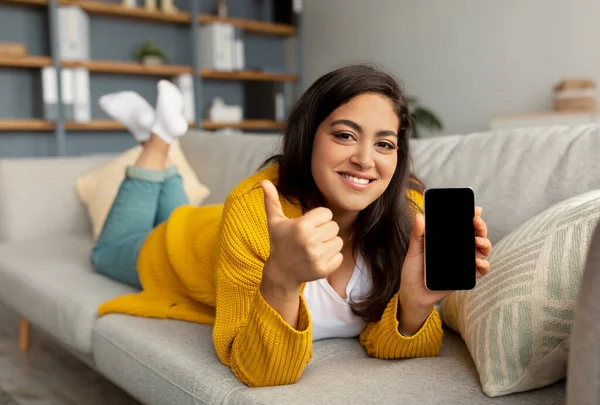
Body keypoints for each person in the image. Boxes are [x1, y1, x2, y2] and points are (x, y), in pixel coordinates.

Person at [93, 64, 493, 388]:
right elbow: (259, 371)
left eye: (385, 144)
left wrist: (416, 303)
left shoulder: (412, 218)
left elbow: (392, 345)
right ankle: (159, 139)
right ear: (308, 136)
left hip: (213, 225)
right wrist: (281, 279)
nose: (366, 159)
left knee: (175, 208)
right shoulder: (252, 209)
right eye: (345, 135)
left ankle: (158, 135)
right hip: (180, 246)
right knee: (108, 252)